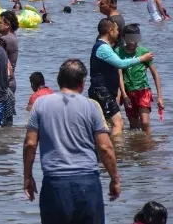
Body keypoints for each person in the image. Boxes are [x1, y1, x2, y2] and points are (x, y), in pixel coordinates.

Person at [23, 59, 119, 223]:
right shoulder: (92, 106)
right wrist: (114, 179)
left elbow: (30, 144)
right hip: (87, 182)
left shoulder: (40, 104)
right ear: (82, 83)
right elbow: (105, 147)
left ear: (59, 80)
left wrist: (27, 177)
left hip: (54, 183)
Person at [89, 18, 154, 136]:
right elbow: (120, 64)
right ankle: (116, 152)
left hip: (102, 91)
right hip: (102, 91)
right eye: (116, 30)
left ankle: (107, 147)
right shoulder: (103, 47)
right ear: (110, 30)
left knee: (105, 124)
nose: (118, 32)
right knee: (118, 123)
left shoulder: (105, 46)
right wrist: (142, 59)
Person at [117, 24, 163, 133]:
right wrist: (123, 94)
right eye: (131, 39)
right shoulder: (118, 52)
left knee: (145, 123)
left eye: (136, 38)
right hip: (128, 92)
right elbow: (119, 74)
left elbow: (155, 74)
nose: (133, 42)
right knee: (133, 124)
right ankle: (137, 147)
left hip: (143, 90)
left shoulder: (143, 52)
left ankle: (148, 145)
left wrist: (160, 97)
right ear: (124, 38)